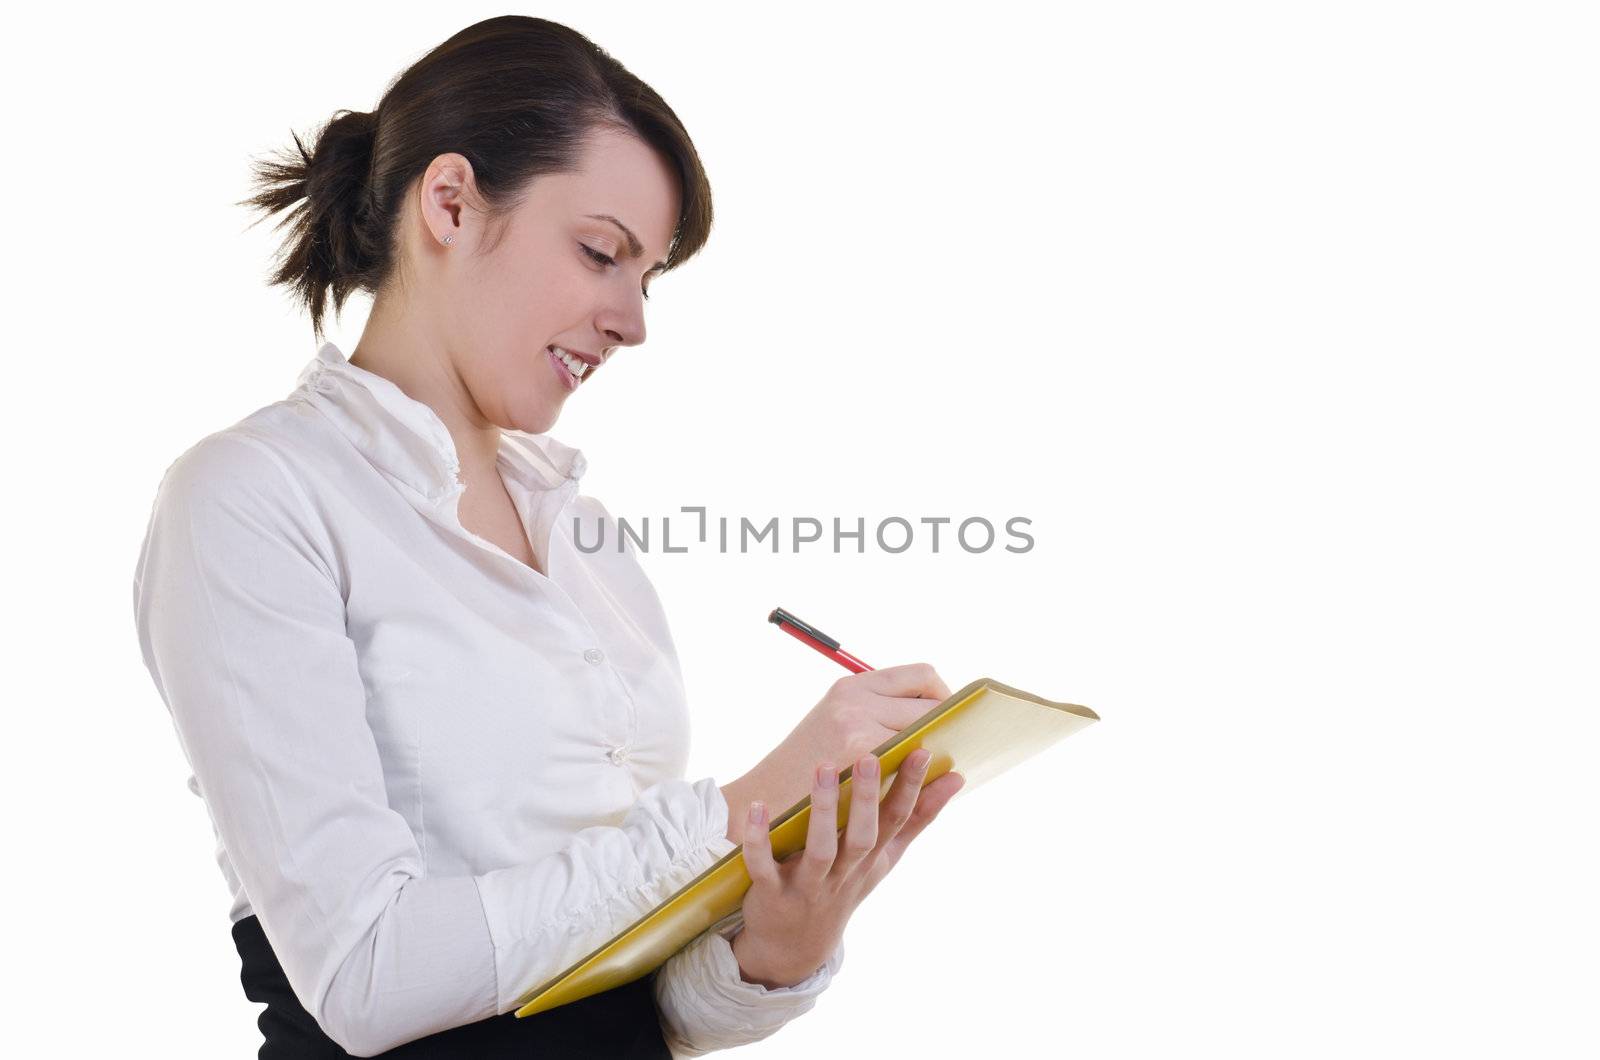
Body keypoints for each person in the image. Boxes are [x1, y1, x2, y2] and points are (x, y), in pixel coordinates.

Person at [131, 15, 964, 1058]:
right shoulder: (254, 496)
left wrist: (783, 935)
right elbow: (365, 976)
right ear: (448, 203)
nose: (633, 319)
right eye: (601, 253)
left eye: (647, 276)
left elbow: (625, 993)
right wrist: (747, 800)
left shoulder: (587, 538)